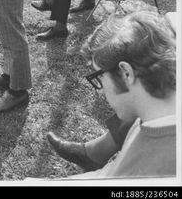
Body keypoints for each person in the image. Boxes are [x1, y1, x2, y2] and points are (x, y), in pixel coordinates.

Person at [46, 10, 176, 179]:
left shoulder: (144, 171)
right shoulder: (151, 121)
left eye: (99, 76)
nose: (100, 90)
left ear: (125, 73)